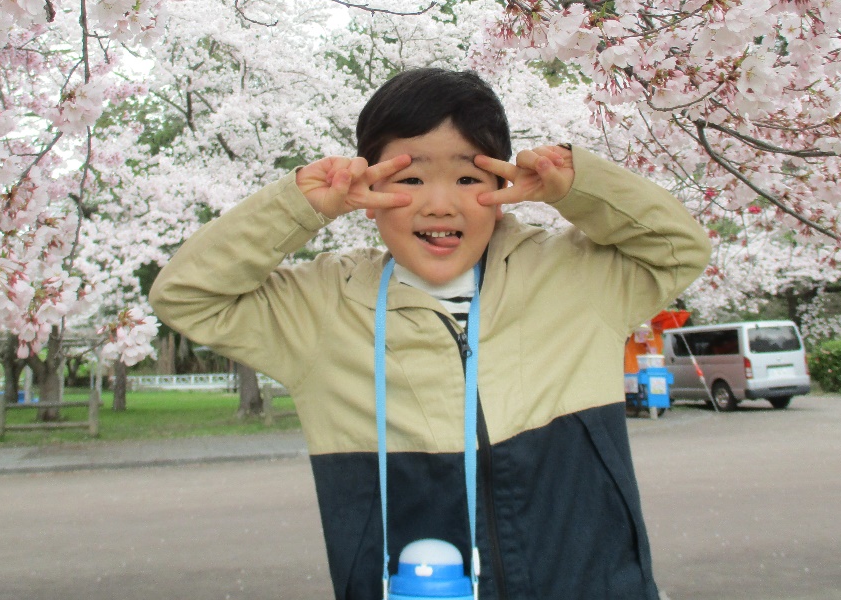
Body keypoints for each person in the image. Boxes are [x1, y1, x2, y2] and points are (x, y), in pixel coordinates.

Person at [149, 67, 711, 600]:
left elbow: (678, 249)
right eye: (410, 178)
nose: (439, 204)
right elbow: (186, 295)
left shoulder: (575, 279)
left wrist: (580, 188)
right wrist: (299, 205)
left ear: (503, 183)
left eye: (467, 177)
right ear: (365, 193)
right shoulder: (323, 306)